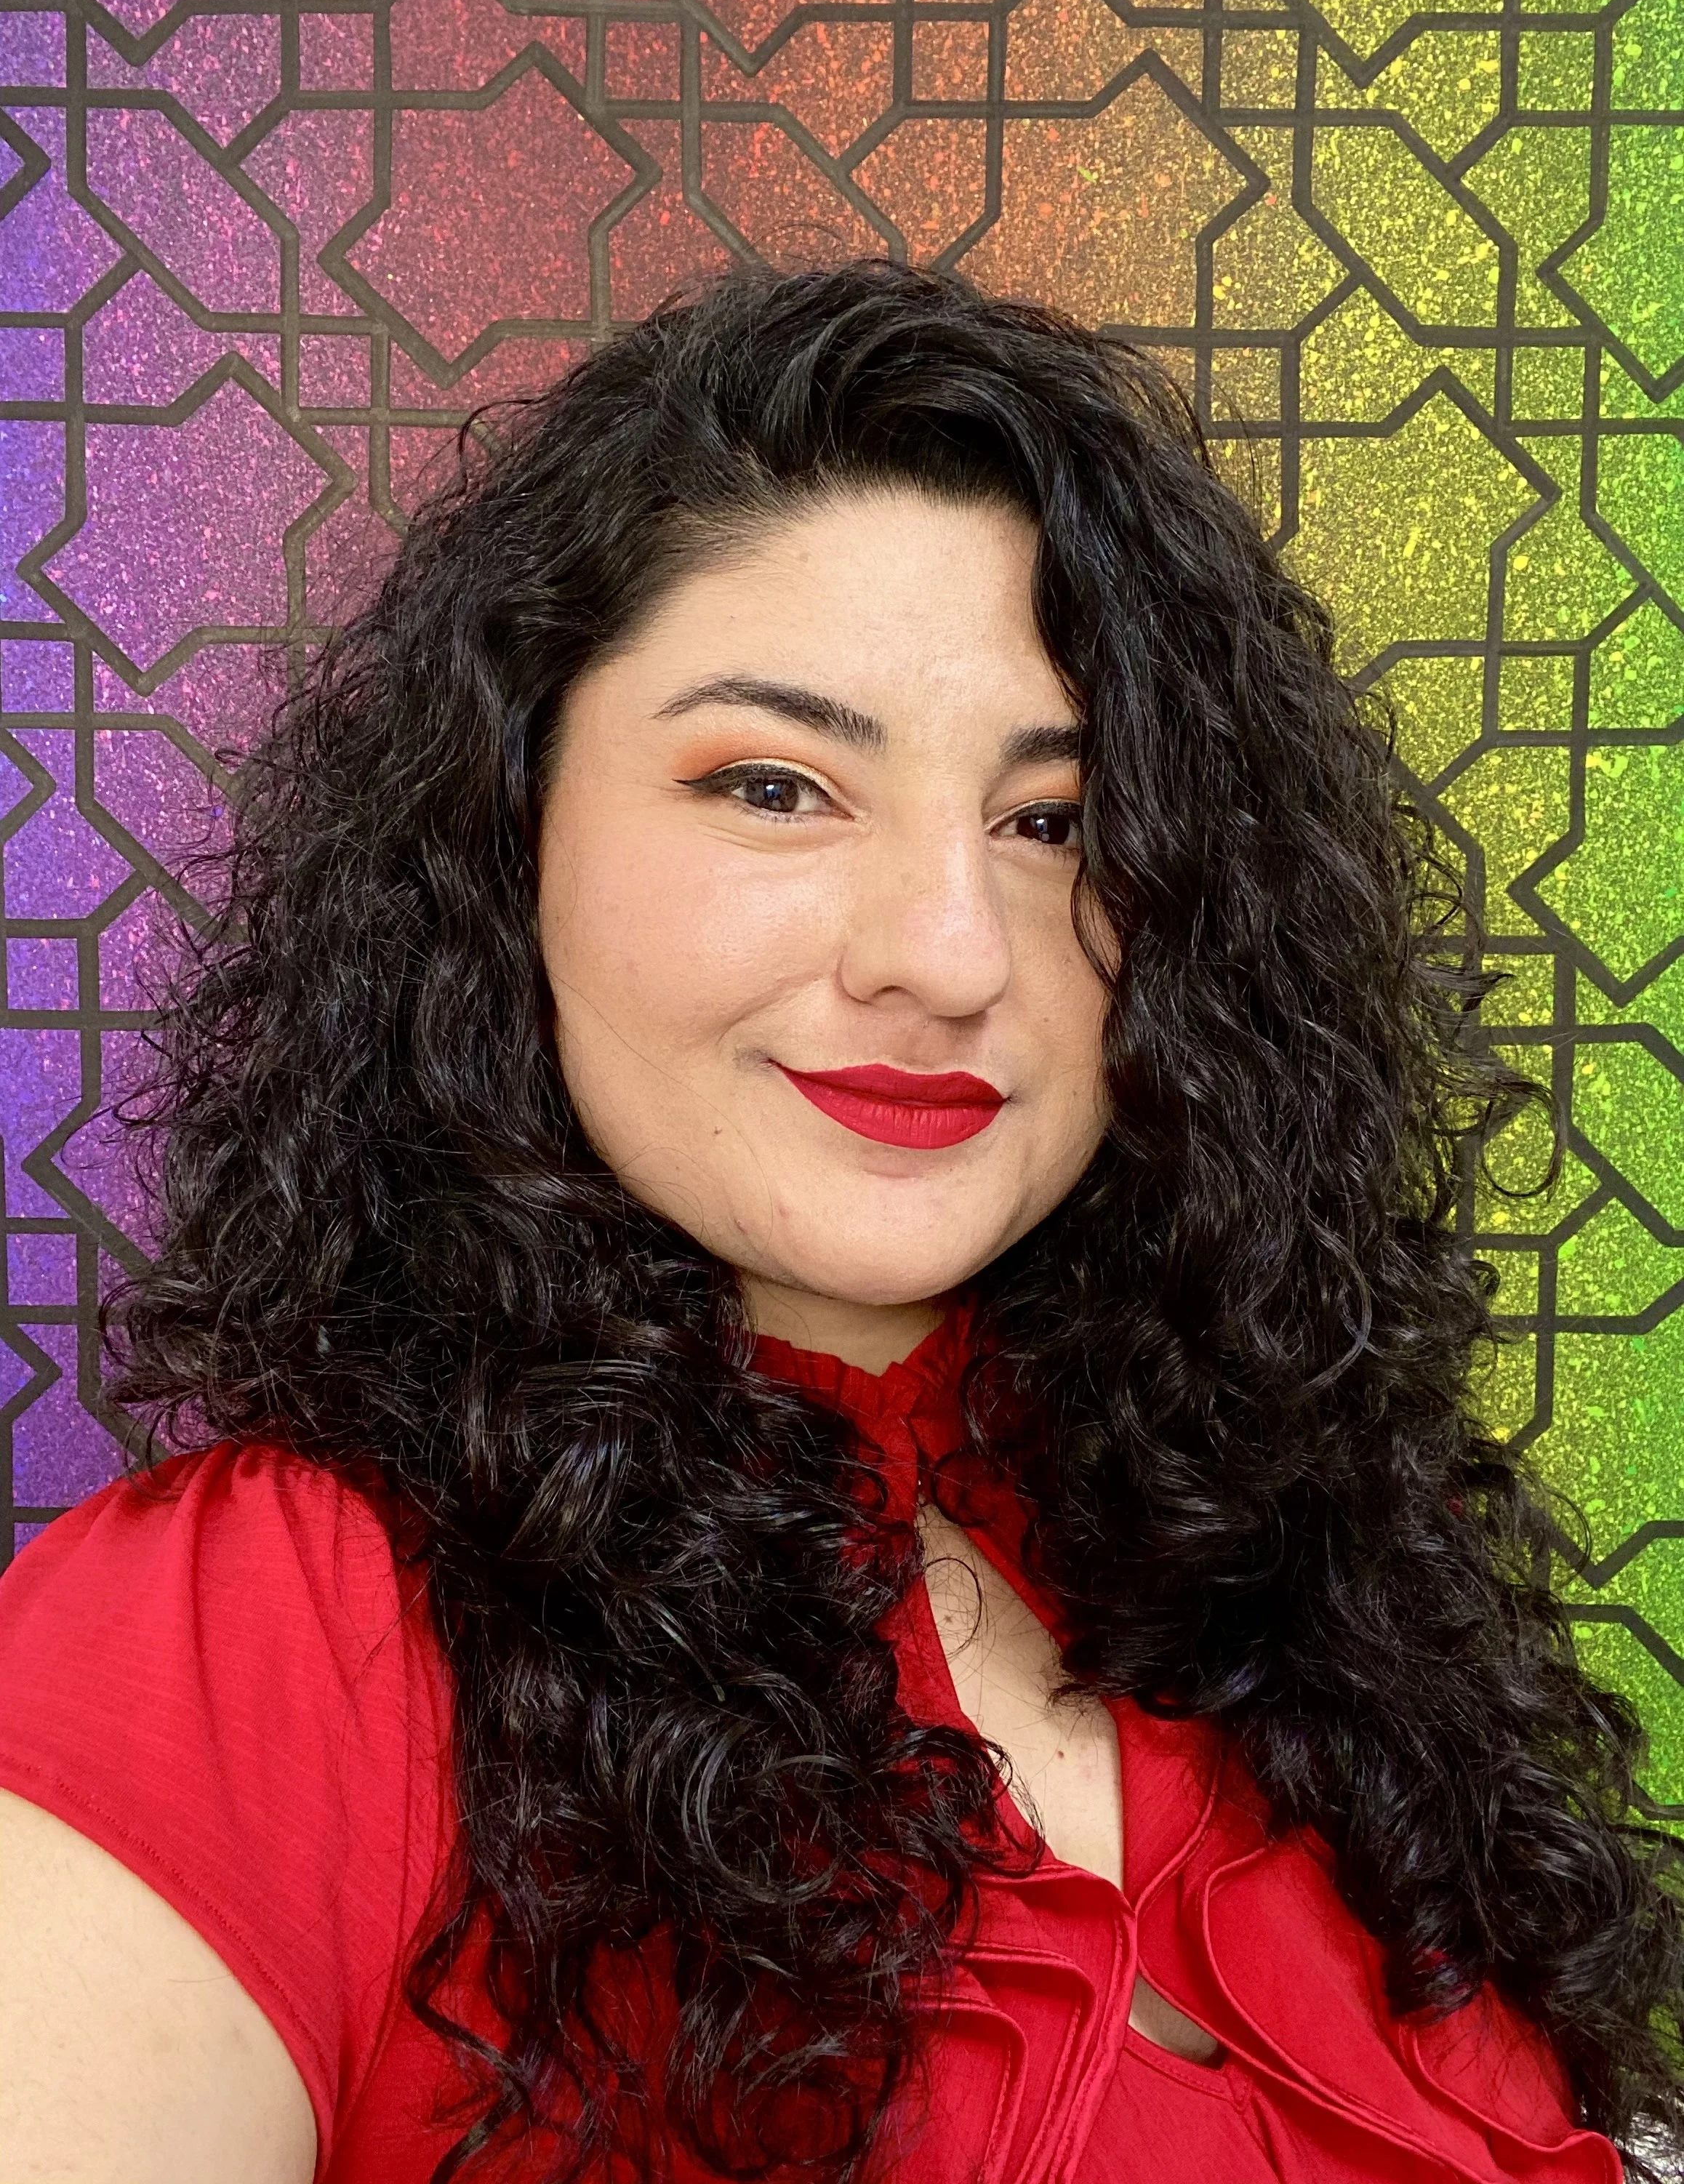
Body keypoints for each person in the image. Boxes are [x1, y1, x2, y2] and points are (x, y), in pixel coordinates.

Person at [0, 260, 1677, 2184]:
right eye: (778, 786)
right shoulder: (248, 1643)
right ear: (506, 836)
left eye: (1051, 820)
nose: (948, 957)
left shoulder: (1295, 1610)